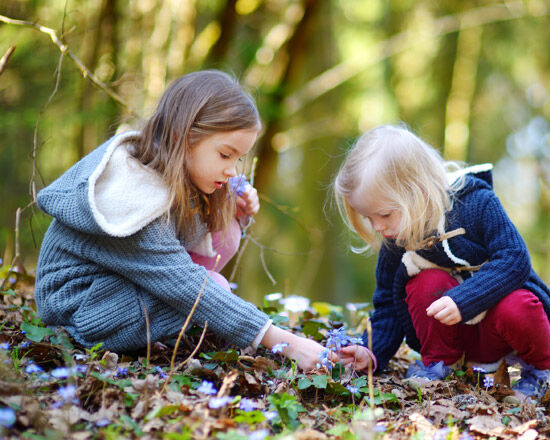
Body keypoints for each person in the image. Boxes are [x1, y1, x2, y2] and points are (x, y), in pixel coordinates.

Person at [34, 70, 330, 371]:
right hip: (77, 311)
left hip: (109, 292)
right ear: (182, 137)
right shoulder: (132, 196)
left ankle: (175, 331)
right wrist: (284, 341)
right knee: (212, 287)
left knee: (223, 232)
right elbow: (186, 284)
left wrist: (234, 215)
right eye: (225, 155)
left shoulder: (168, 176)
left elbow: (198, 252)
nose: (232, 170)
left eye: (238, 159)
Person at [334, 124, 550, 398]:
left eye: (385, 214)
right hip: (457, 339)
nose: (378, 227)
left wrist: (464, 299)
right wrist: (370, 350)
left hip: (499, 331)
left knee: (518, 304)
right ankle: (440, 365)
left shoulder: (477, 204)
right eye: (369, 219)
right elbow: (388, 308)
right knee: (425, 282)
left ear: (418, 191)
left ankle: (539, 371)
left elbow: (515, 259)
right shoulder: (396, 239)